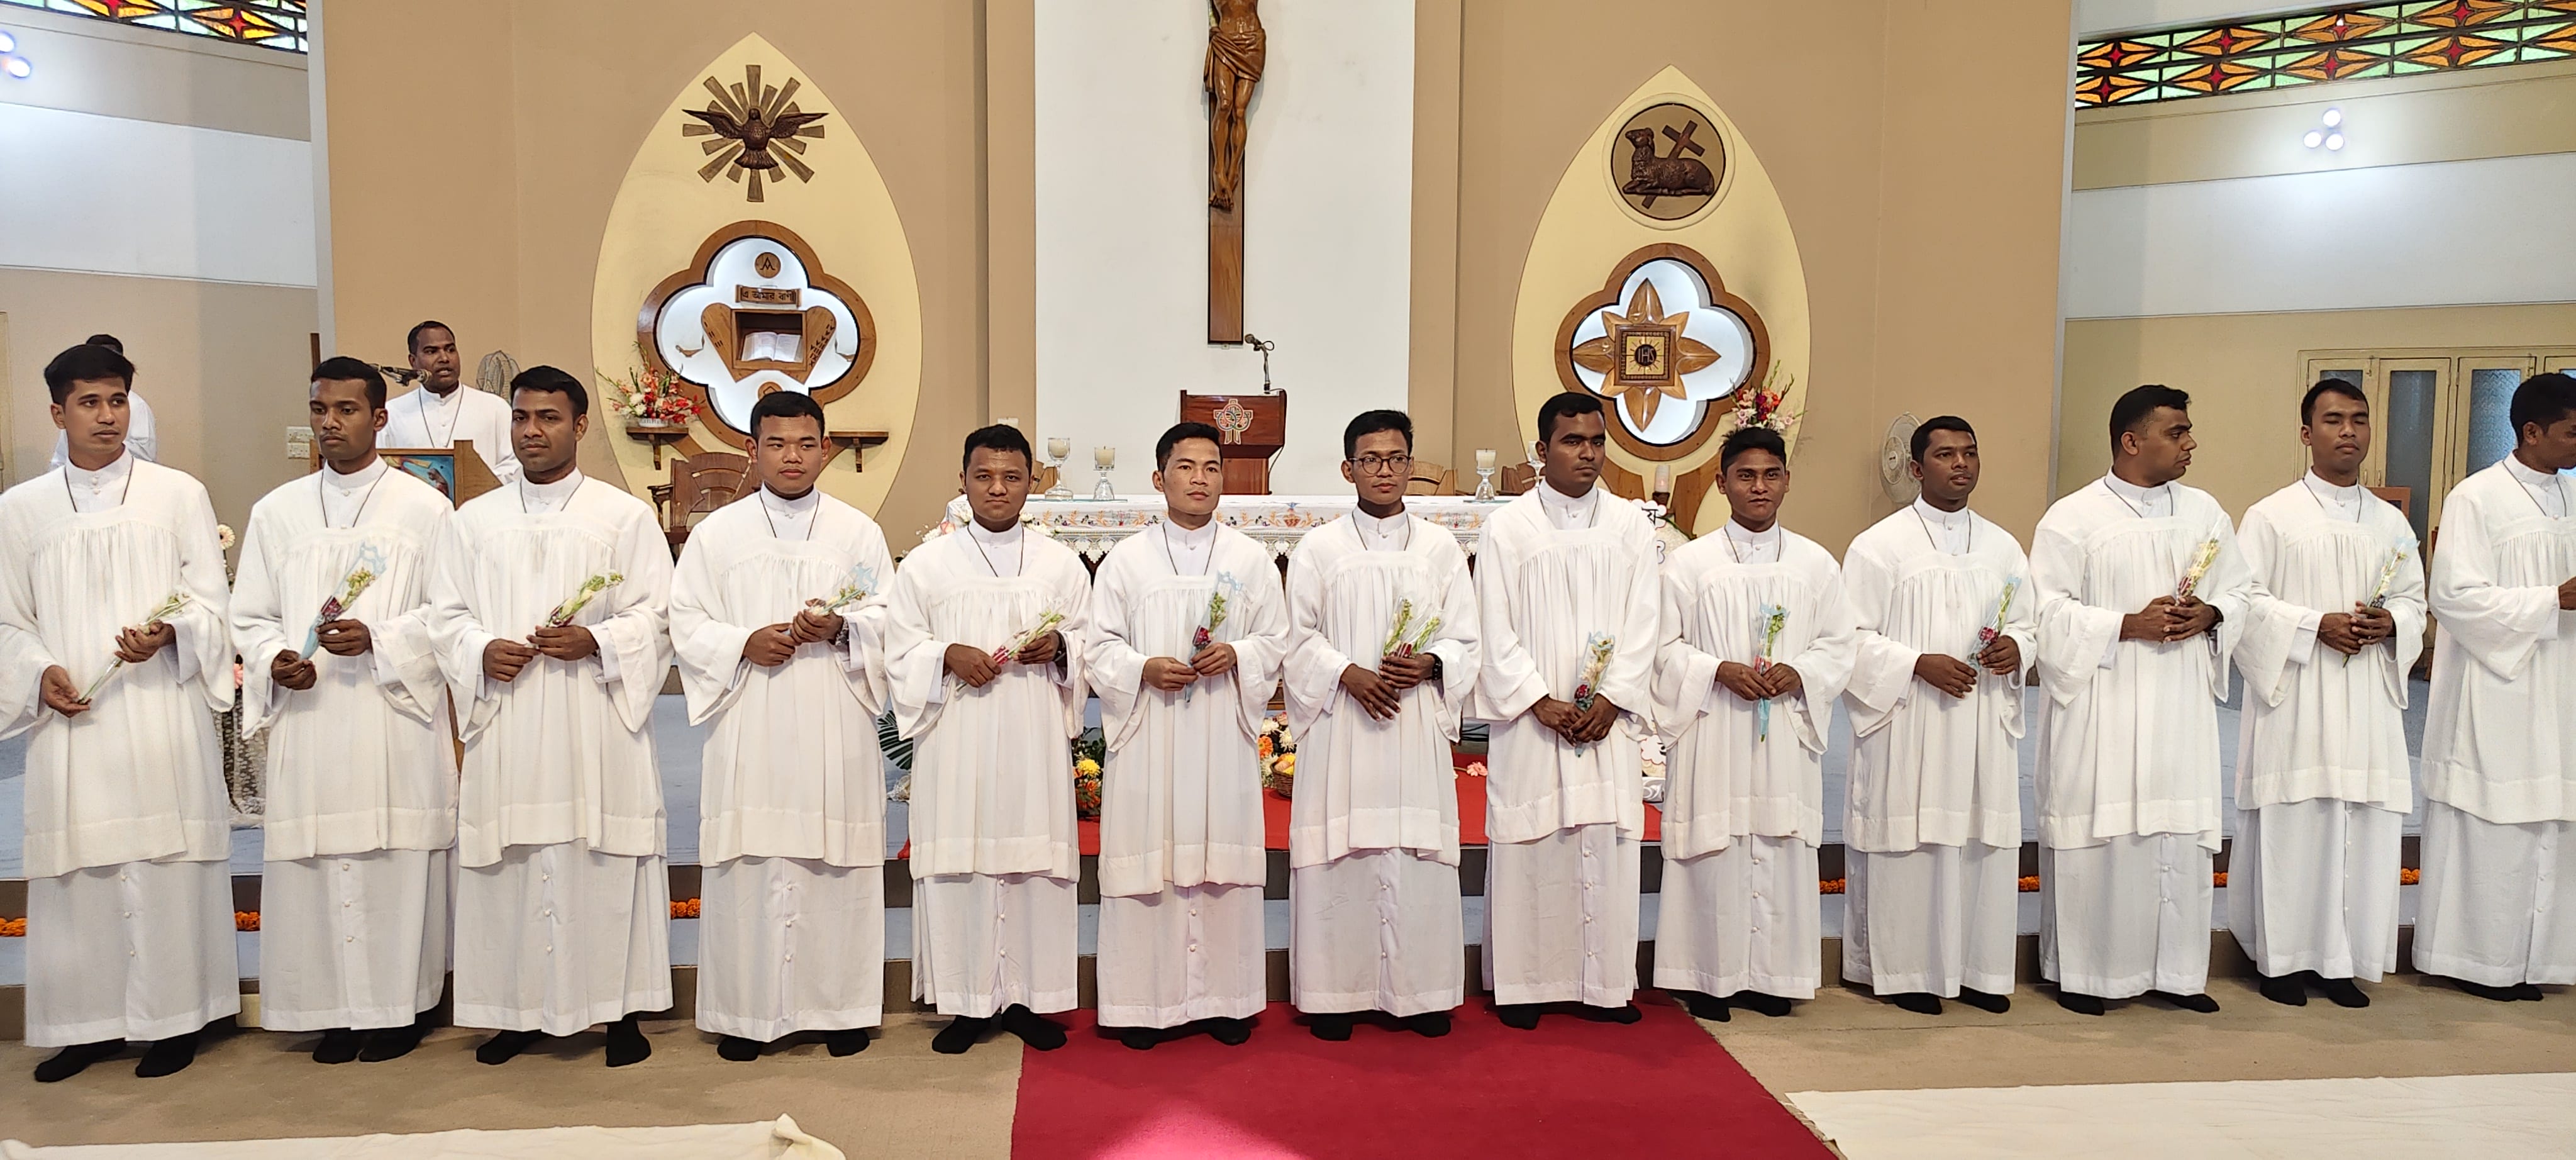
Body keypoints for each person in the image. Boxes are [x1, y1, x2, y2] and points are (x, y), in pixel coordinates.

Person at [426, 365, 674, 1066]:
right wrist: (479, 648)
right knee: (512, 859)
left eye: (548, 418)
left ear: (580, 426)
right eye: (521, 418)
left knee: (603, 859)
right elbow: (442, 615)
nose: (532, 431)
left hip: (594, 714)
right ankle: (516, 1010)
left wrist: (597, 638)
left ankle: (618, 1010)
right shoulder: (473, 521)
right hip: (510, 714)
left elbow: (658, 613)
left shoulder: (621, 516)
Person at [4, 342, 234, 1081]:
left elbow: (210, 599)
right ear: (57, 412)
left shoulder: (178, 493)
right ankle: (86, 1022)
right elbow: (7, 619)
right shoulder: (19, 509)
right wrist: (40, 673)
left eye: (116, 400)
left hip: (158, 709)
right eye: (88, 402)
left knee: (165, 867)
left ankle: (178, 1017)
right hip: (76, 720)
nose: (106, 415)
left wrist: (172, 631)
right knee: (82, 874)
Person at [230, 357, 457, 1063]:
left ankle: (400, 1007)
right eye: (320, 409)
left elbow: (451, 614)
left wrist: (381, 638)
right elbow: (251, 613)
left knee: (394, 857)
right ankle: (331, 1006)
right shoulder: (277, 511)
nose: (331, 422)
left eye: (347, 409)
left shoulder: (426, 509)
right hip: (314, 715)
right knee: (318, 855)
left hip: (392, 716)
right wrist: (273, 658)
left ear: (380, 418)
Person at [670, 391, 896, 1061]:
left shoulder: (858, 533)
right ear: (752, 449)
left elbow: (892, 616)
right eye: (776, 443)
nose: (791, 456)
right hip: (753, 718)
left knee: (836, 861)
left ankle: (841, 1006)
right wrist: (743, 642)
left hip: (832, 713)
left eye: (804, 443)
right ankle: (744, 1012)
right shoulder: (718, 534)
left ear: (824, 448)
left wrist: (845, 625)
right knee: (753, 860)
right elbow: (684, 619)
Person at [2030, 384, 2251, 1015]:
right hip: (2103, 703)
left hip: (2178, 704)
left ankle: (2176, 973)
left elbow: (2242, 593)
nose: (2190, 442)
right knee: (2105, 832)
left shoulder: (2205, 511)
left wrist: (2209, 612)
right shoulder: (2072, 518)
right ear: (2131, 441)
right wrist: (2128, 624)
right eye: (2176, 432)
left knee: (2174, 833)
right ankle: (2088, 974)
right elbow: (2045, 614)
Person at [884, 424, 1091, 1054]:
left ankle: (1028, 998)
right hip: (958, 738)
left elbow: (1092, 640)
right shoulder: (926, 563)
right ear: (963, 480)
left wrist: (1061, 649)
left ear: (1032, 482)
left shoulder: (1060, 562)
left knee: (1031, 862)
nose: (997, 488)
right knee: (961, 861)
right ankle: (968, 1002)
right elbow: (898, 646)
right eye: (984, 475)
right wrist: (945, 653)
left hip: (1030, 736)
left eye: (1011, 476)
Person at [1085, 421, 1290, 1049]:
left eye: (1210, 467)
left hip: (1218, 736)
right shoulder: (1127, 559)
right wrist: (1141, 667)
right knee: (1153, 863)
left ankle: (1225, 1000)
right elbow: (1097, 647)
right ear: (1158, 478)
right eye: (1185, 466)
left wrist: (1240, 655)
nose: (1199, 479)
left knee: (1219, 862)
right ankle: (1140, 1004)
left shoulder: (1250, 559)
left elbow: (1277, 640)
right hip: (1152, 732)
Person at [1283, 410, 1480, 1040]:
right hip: (1345, 723)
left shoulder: (1439, 548)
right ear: (1349, 469)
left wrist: (1432, 661)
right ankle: (1335, 994)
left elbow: (1466, 637)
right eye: (1370, 459)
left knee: (1413, 855)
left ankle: (1419, 993)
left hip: (1412, 721)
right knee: (1344, 853)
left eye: (1396, 458)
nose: (1385, 470)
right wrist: (1347, 673)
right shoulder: (1319, 547)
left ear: (1410, 464)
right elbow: (1295, 638)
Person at [2229, 381, 2424, 1009]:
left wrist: (2390, 623)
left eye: (2358, 420)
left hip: (2366, 695)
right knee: (2297, 820)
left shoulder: (2390, 521)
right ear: (2306, 432)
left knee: (2359, 826)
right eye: (2333, 419)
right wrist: (2317, 624)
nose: (2348, 431)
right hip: (2299, 694)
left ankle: (2340, 958)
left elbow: (2414, 600)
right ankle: (2281, 960)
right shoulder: (2271, 515)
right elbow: (2244, 602)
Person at [1650, 426, 1853, 1021]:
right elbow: (1661, 649)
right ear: (1722, 484)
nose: (1758, 487)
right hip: (1715, 725)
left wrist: (1801, 673)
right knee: (1716, 843)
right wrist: (1716, 670)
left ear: (1787, 481)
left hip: (1783, 729)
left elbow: (1839, 645)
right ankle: (1706, 974)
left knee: (1777, 838)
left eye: (1770, 475)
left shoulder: (1816, 563)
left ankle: (1772, 975)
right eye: (1745, 475)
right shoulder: (1690, 564)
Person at [1470, 393, 1659, 1028]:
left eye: (1597, 441)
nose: (1588, 453)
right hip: (1534, 722)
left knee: (1604, 844)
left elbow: (1645, 622)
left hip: (1606, 721)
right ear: (1541, 450)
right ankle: (1525, 985)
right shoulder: (1509, 527)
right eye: (1573, 441)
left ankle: (1604, 984)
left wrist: (1613, 697)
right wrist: (1536, 699)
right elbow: (1491, 625)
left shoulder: (1632, 526)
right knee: (1533, 844)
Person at [1838, 416, 2032, 1016]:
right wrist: (1917, 663)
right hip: (1910, 723)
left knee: (1977, 841)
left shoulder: (2003, 546)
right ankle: (1907, 971)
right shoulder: (1880, 545)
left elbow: (2030, 620)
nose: (1961, 465)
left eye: (1970, 453)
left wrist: (2018, 647)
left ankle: (1978, 968)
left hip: (1978, 725)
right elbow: (1847, 638)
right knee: (1913, 843)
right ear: (1917, 469)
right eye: (1946, 455)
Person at [2416, 370, 2576, 1001]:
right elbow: (2451, 594)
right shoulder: (2476, 498)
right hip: (2497, 685)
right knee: (2496, 823)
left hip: (2561, 684)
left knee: (2553, 822)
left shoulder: (2572, 496)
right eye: (2571, 431)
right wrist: (2548, 600)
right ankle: (2476, 959)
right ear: (2531, 431)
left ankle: (2539, 958)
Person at [382, 320, 519, 482]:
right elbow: (383, 470)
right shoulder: (394, 412)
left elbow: (514, 466)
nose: (445, 358)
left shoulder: (495, 408)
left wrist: (464, 484)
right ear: (413, 362)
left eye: (450, 349)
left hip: (481, 505)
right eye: (432, 351)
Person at [47, 334, 156, 471]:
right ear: (59, 416)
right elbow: (60, 457)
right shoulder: (31, 492)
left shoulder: (137, 405)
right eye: (91, 403)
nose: (108, 418)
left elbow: (146, 453)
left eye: (117, 402)